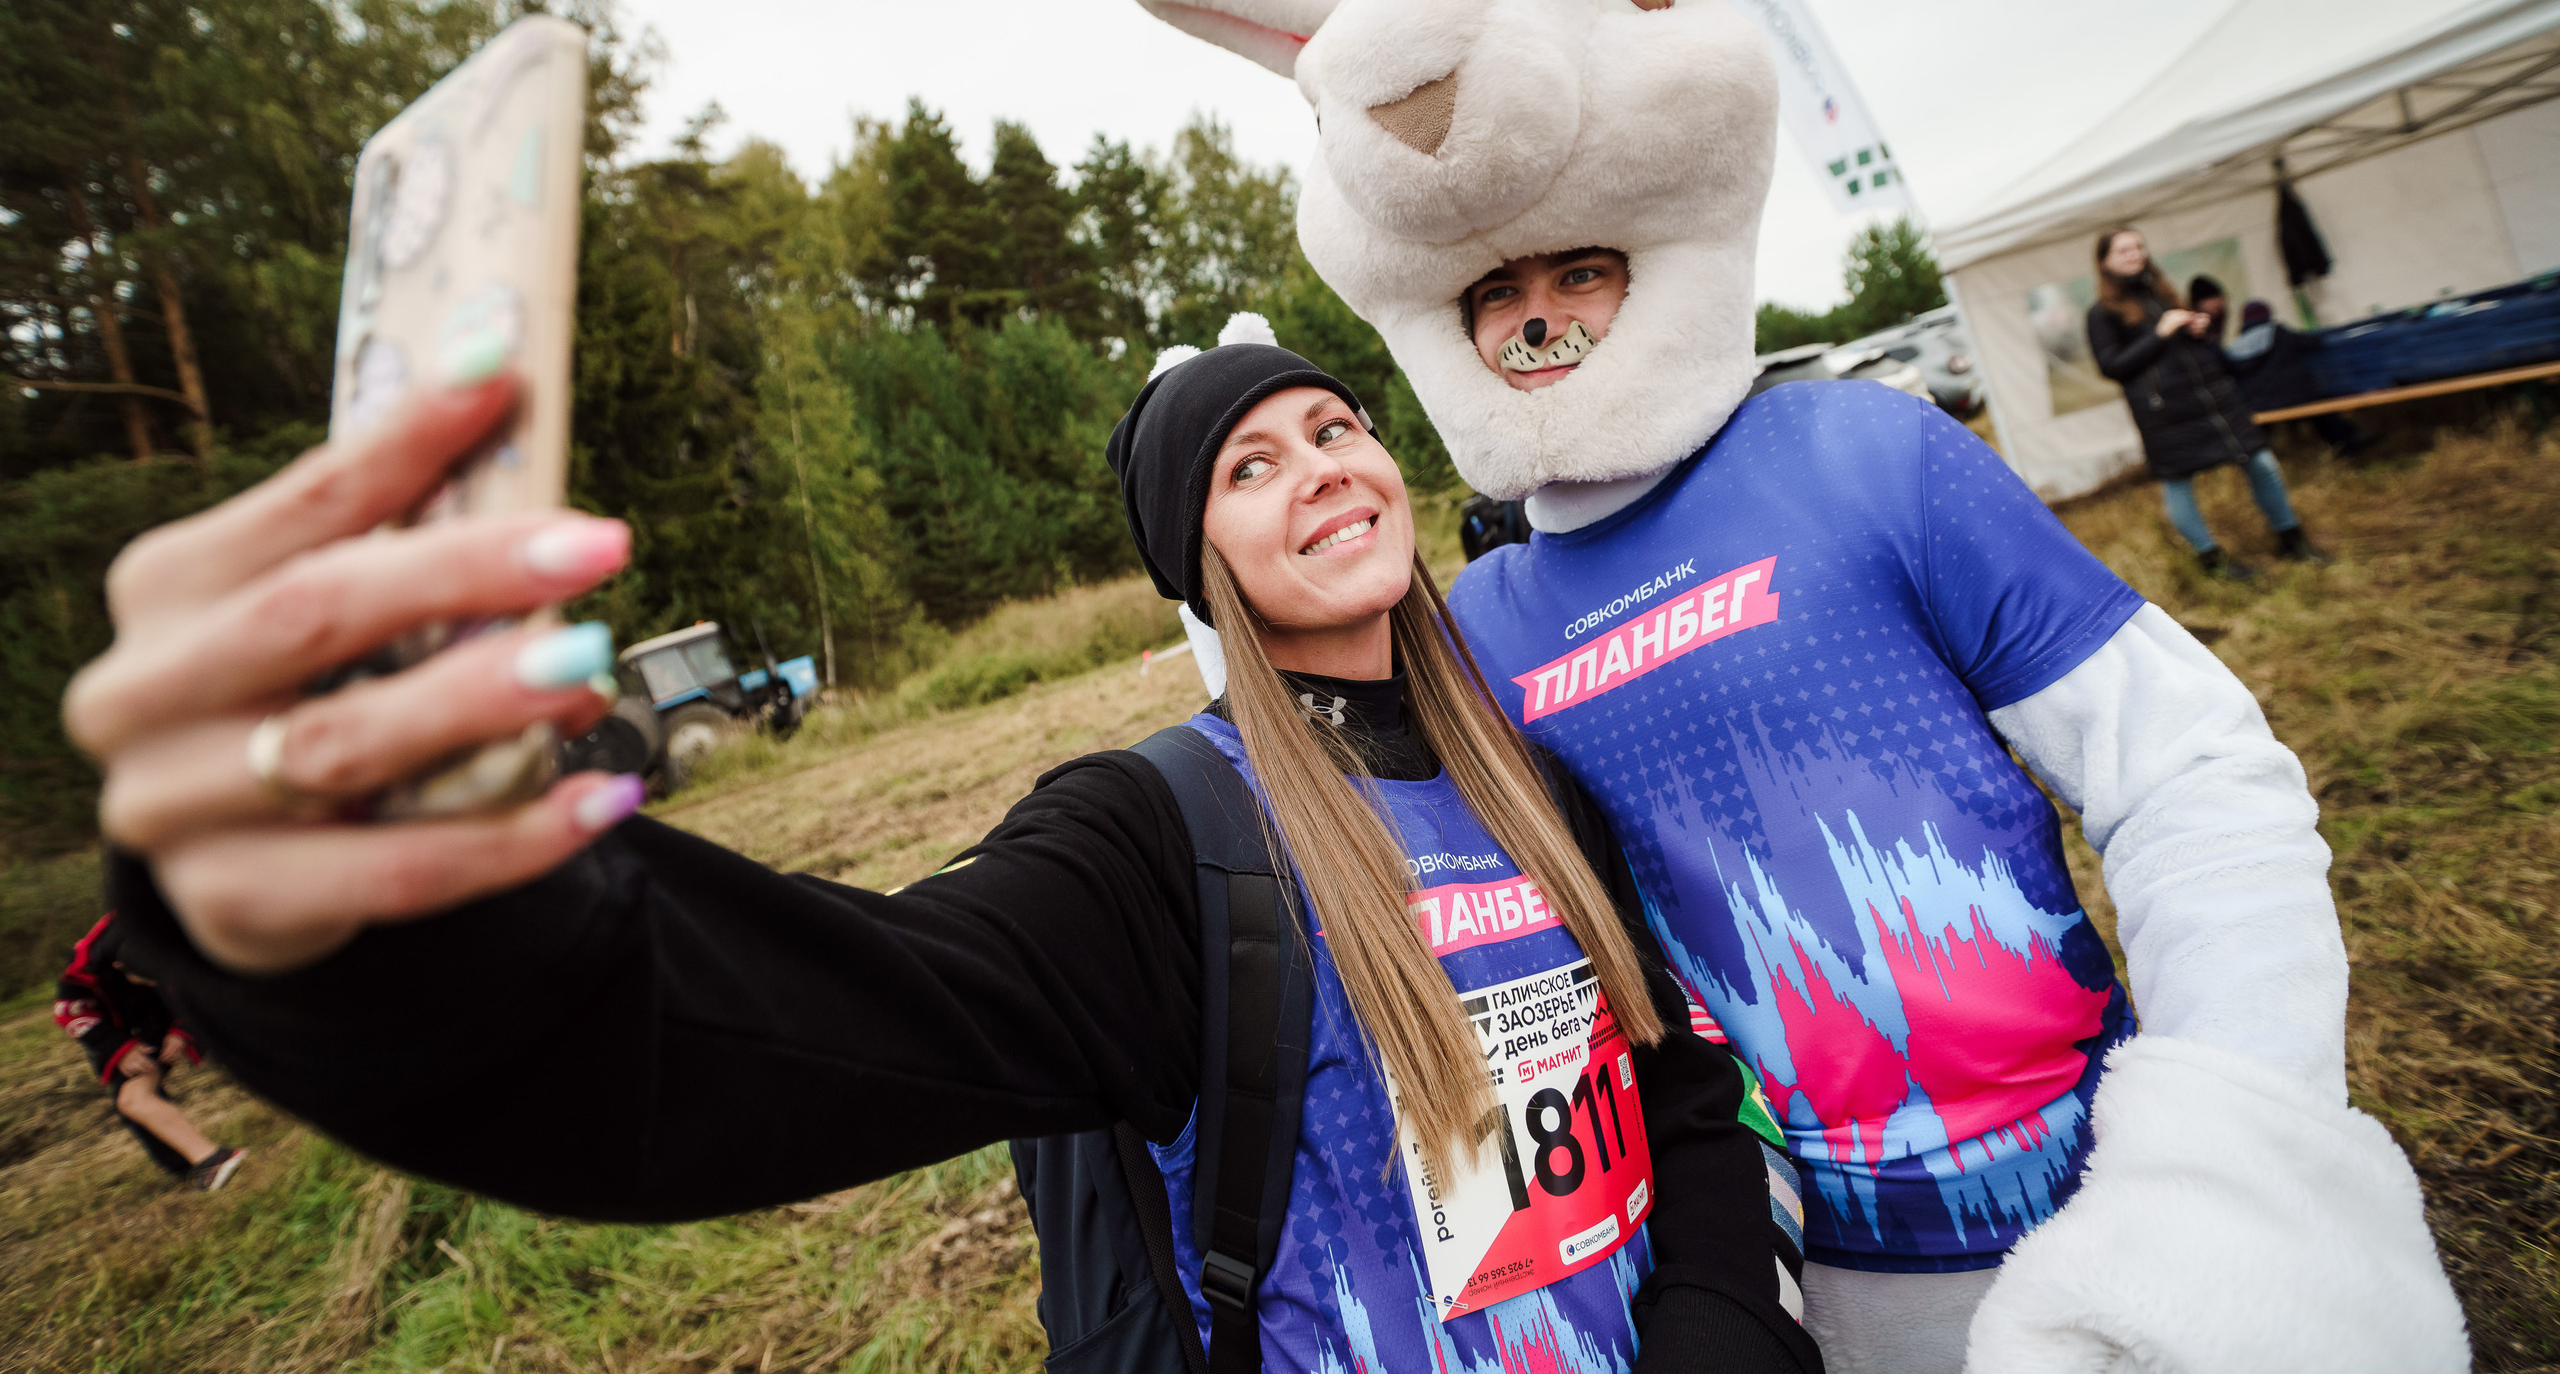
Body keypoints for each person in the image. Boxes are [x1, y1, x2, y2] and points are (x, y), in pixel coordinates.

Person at [1109, 0, 2463, 1363]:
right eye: (1503, 296)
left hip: (2109, 1201)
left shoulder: (1868, 456)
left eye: (1579, 273)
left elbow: (2192, 773)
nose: (1545, 321)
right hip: (1790, 1273)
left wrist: (2229, 1161)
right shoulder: (1472, 638)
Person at [67, 344, 1820, 1374]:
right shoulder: (1159, 837)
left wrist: (1725, 1321)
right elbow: (784, 1041)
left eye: (1338, 425)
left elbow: (1675, 1086)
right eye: (1248, 464)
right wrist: (409, 922)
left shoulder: (1529, 781)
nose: (1321, 466)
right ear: (1195, 565)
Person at [2084, 229, 2329, 579]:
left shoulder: (2163, 293)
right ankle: (2212, 561)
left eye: (2138, 246)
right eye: (2123, 250)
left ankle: (2292, 540)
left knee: (2262, 463)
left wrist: (2194, 330)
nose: (2135, 254)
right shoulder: (2101, 313)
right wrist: (2162, 332)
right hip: (2166, 413)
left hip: (2211, 401)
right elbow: (2113, 367)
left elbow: (2181, 350)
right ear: (2105, 261)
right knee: (2179, 483)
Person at [52, 913, 244, 1190]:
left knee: (133, 1099)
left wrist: (182, 1032)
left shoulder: (174, 940)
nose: (152, 984)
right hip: (116, 1032)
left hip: (167, 1018)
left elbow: (205, 997)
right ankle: (191, 1165)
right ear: (118, 966)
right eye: (145, 980)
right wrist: (117, 1047)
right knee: (130, 1101)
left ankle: (214, 1159)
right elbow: (68, 1013)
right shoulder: (82, 973)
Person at [2226, 297, 2372, 456]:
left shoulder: (2235, 348)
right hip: (2297, 397)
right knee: (2320, 405)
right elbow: (2313, 343)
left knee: (2262, 422)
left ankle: (2255, 454)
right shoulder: (2278, 333)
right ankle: (2346, 441)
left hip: (2259, 405)